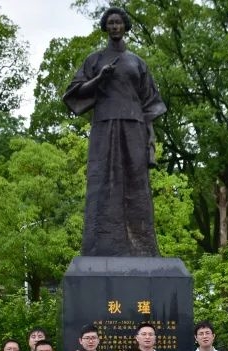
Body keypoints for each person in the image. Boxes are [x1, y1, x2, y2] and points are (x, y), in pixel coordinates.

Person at [64, 6, 167, 257]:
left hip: (134, 126)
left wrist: (150, 139)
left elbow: (149, 103)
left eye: (118, 22)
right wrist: (99, 78)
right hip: (104, 125)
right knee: (103, 181)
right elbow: (75, 93)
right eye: (110, 23)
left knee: (136, 182)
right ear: (105, 27)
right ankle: (100, 246)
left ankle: (142, 248)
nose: (114, 26)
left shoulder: (137, 62)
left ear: (125, 26)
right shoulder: (95, 60)